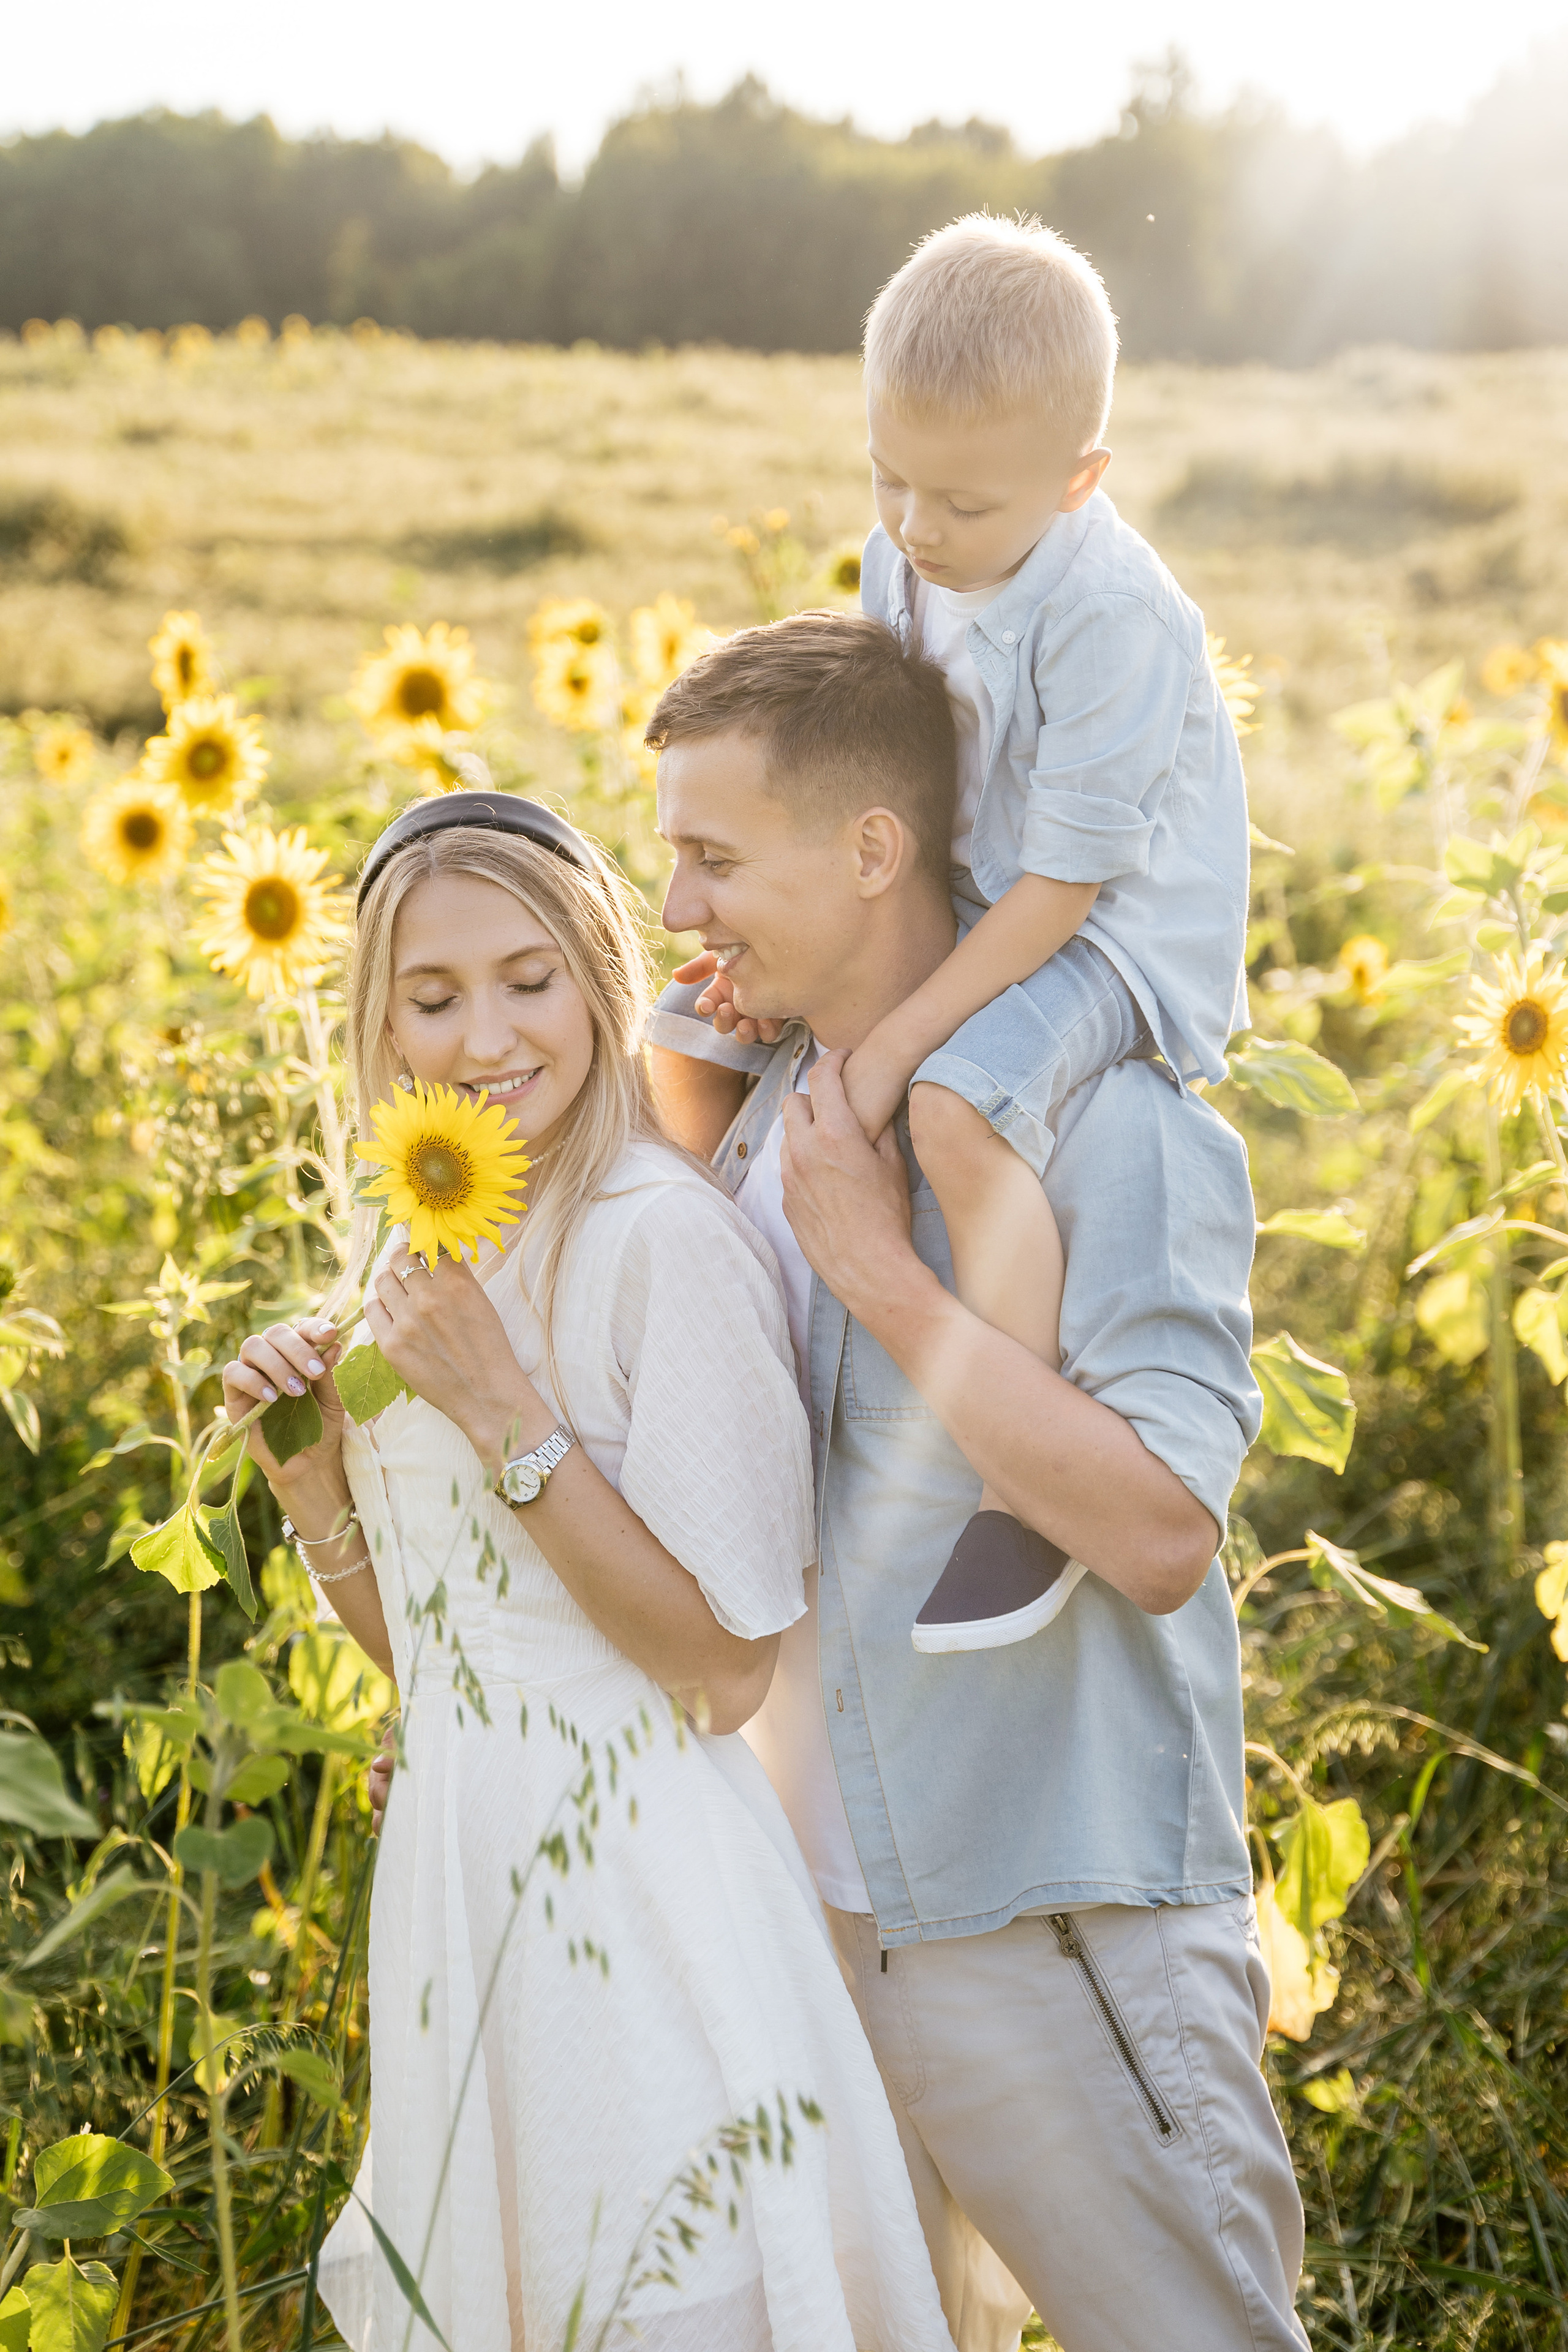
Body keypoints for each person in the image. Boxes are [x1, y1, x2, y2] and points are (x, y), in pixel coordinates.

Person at [644, 615, 1310, 2352]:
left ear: (874, 850)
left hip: (1050, 1931)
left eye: (716, 861)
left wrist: (887, 1279)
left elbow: (1158, 1532)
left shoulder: (1106, 1123)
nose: (679, 907)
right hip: (816, 1928)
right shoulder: (758, 1107)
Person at [220, 791, 956, 2352]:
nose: (485, 1037)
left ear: (601, 977)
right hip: (461, 1881)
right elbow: (448, 1655)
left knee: (658, 2302)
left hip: (636, 1896)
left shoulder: (656, 1240)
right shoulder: (421, 1244)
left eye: (528, 979)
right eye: (432, 997)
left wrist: (503, 1411)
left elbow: (720, 1675)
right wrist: (310, 1479)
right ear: (379, 1022)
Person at [674, 213, 1250, 1654]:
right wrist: (807, 950)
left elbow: (1063, 891)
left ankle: (1017, 1489)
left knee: (951, 1106)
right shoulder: (909, 553)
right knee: (714, 1043)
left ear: (1079, 479)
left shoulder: (1109, 615)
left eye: (962, 504)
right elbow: (904, 779)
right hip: (1002, 904)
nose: (916, 530)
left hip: (1116, 940)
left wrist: (892, 1050)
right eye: (889, 478)